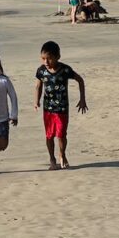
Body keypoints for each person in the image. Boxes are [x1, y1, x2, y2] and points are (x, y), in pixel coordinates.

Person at [35, 41, 88, 170]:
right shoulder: (41, 70)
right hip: (48, 109)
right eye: (43, 59)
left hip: (62, 109)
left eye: (49, 58)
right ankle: (52, 158)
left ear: (58, 56)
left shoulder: (65, 70)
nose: (46, 62)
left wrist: (82, 99)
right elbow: (38, 85)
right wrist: (36, 101)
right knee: (49, 135)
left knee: (61, 134)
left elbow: (80, 80)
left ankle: (62, 155)